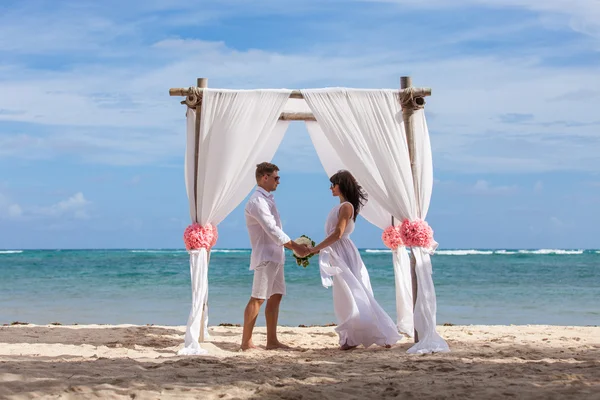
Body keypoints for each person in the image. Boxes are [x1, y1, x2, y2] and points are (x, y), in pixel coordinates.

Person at [309, 170, 401, 350]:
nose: (330, 188)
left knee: (353, 291)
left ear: (340, 185)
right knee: (347, 293)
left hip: (343, 252)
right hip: (339, 251)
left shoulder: (346, 207)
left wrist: (315, 249)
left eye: (333, 184)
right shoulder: (342, 206)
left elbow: (338, 233)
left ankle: (365, 334)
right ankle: (351, 337)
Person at [241, 162, 310, 351]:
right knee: (258, 298)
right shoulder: (257, 201)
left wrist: (290, 247)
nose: (279, 181)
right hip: (265, 256)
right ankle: (246, 343)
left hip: (276, 255)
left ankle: (272, 341)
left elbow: (276, 229)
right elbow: (271, 229)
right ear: (265, 177)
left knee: (276, 296)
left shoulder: (267, 199)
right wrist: (295, 246)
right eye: (276, 177)